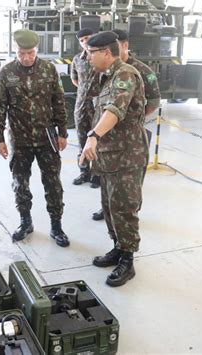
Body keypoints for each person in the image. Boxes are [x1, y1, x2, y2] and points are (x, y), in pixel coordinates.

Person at [80, 31, 148, 287]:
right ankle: (118, 248)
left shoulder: (125, 75)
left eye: (91, 54)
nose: (88, 59)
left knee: (124, 208)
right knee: (109, 208)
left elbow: (114, 110)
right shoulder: (106, 77)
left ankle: (127, 260)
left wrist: (93, 135)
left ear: (106, 53)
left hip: (127, 156)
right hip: (110, 156)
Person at [0, 29, 70, 247]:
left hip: (47, 138)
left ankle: (56, 226)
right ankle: (25, 222)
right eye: (22, 53)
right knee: (20, 183)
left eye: (31, 53)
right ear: (15, 50)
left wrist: (62, 132)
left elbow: (58, 101)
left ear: (37, 50)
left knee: (53, 183)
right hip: (20, 138)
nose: (26, 58)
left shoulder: (49, 69)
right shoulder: (6, 73)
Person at [91, 28, 160, 221]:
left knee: (127, 200)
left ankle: (126, 244)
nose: (88, 57)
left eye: (92, 52)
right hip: (111, 145)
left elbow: (152, 101)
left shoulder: (132, 72)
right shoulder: (107, 73)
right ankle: (118, 241)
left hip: (128, 145)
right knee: (113, 197)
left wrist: (132, 119)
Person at [71, 28, 101, 188]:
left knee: (99, 141)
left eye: (87, 38)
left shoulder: (103, 56)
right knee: (82, 140)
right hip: (82, 106)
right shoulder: (77, 59)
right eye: (81, 40)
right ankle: (84, 172)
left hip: (99, 107)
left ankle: (97, 175)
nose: (85, 42)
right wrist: (85, 91)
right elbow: (75, 80)